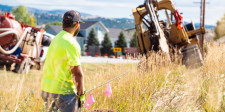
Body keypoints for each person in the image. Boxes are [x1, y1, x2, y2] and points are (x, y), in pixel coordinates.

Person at [41, 10, 85, 112]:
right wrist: (81, 96)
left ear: (63, 24)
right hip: (63, 94)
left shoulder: (56, 39)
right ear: (77, 24)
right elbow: (78, 74)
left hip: (47, 90)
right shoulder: (71, 44)